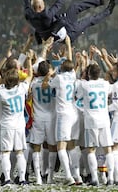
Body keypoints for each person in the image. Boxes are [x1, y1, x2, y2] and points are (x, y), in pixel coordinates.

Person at [42, 36, 82, 186]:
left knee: (61, 146)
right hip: (74, 112)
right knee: (72, 146)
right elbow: (70, 61)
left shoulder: (59, 78)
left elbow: (45, 86)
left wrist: (48, 76)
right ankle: (77, 176)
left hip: (63, 114)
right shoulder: (72, 75)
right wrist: (68, 43)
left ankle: (69, 177)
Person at [0, 52, 33, 186]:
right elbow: (30, 75)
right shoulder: (21, 89)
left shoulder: (1, 92)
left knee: (5, 153)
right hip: (19, 125)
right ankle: (22, 179)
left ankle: (7, 178)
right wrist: (29, 60)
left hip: (6, 125)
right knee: (19, 153)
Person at [76, 63, 115, 186]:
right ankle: (111, 179)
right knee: (108, 149)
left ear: (88, 74)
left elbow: (77, 97)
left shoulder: (85, 85)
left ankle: (94, 179)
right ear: (99, 74)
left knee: (91, 150)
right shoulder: (105, 84)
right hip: (104, 119)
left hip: (91, 120)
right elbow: (110, 90)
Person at [29, 60, 57, 185]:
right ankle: (50, 176)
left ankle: (39, 178)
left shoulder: (33, 84)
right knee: (52, 147)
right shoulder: (52, 83)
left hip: (38, 118)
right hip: (51, 117)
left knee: (36, 148)